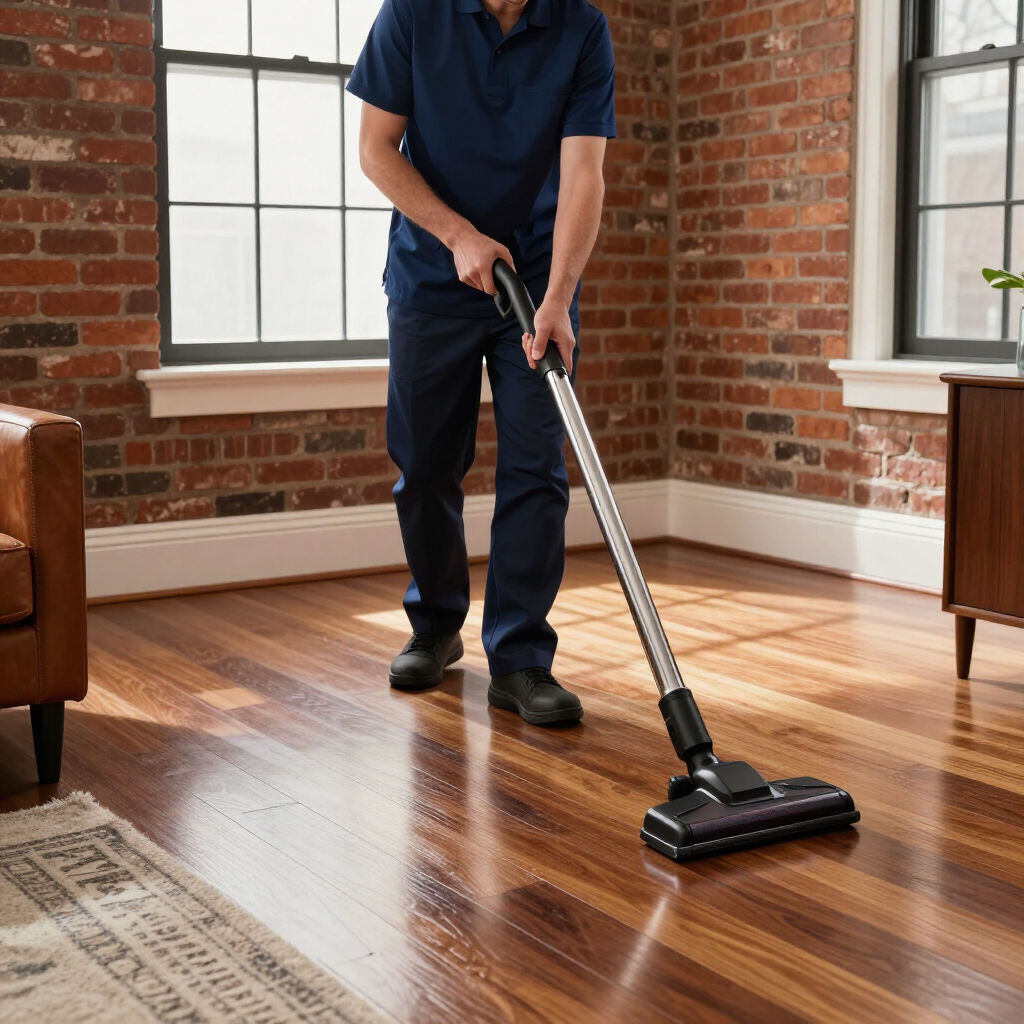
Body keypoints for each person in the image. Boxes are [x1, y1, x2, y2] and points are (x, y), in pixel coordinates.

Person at [348, 0, 614, 725]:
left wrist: (559, 295)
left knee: (537, 466)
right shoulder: (411, 15)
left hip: (536, 286)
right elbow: (376, 149)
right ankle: (435, 625)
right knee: (428, 462)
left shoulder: (581, 28)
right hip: (432, 277)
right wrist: (458, 235)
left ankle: (522, 657)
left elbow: (584, 173)